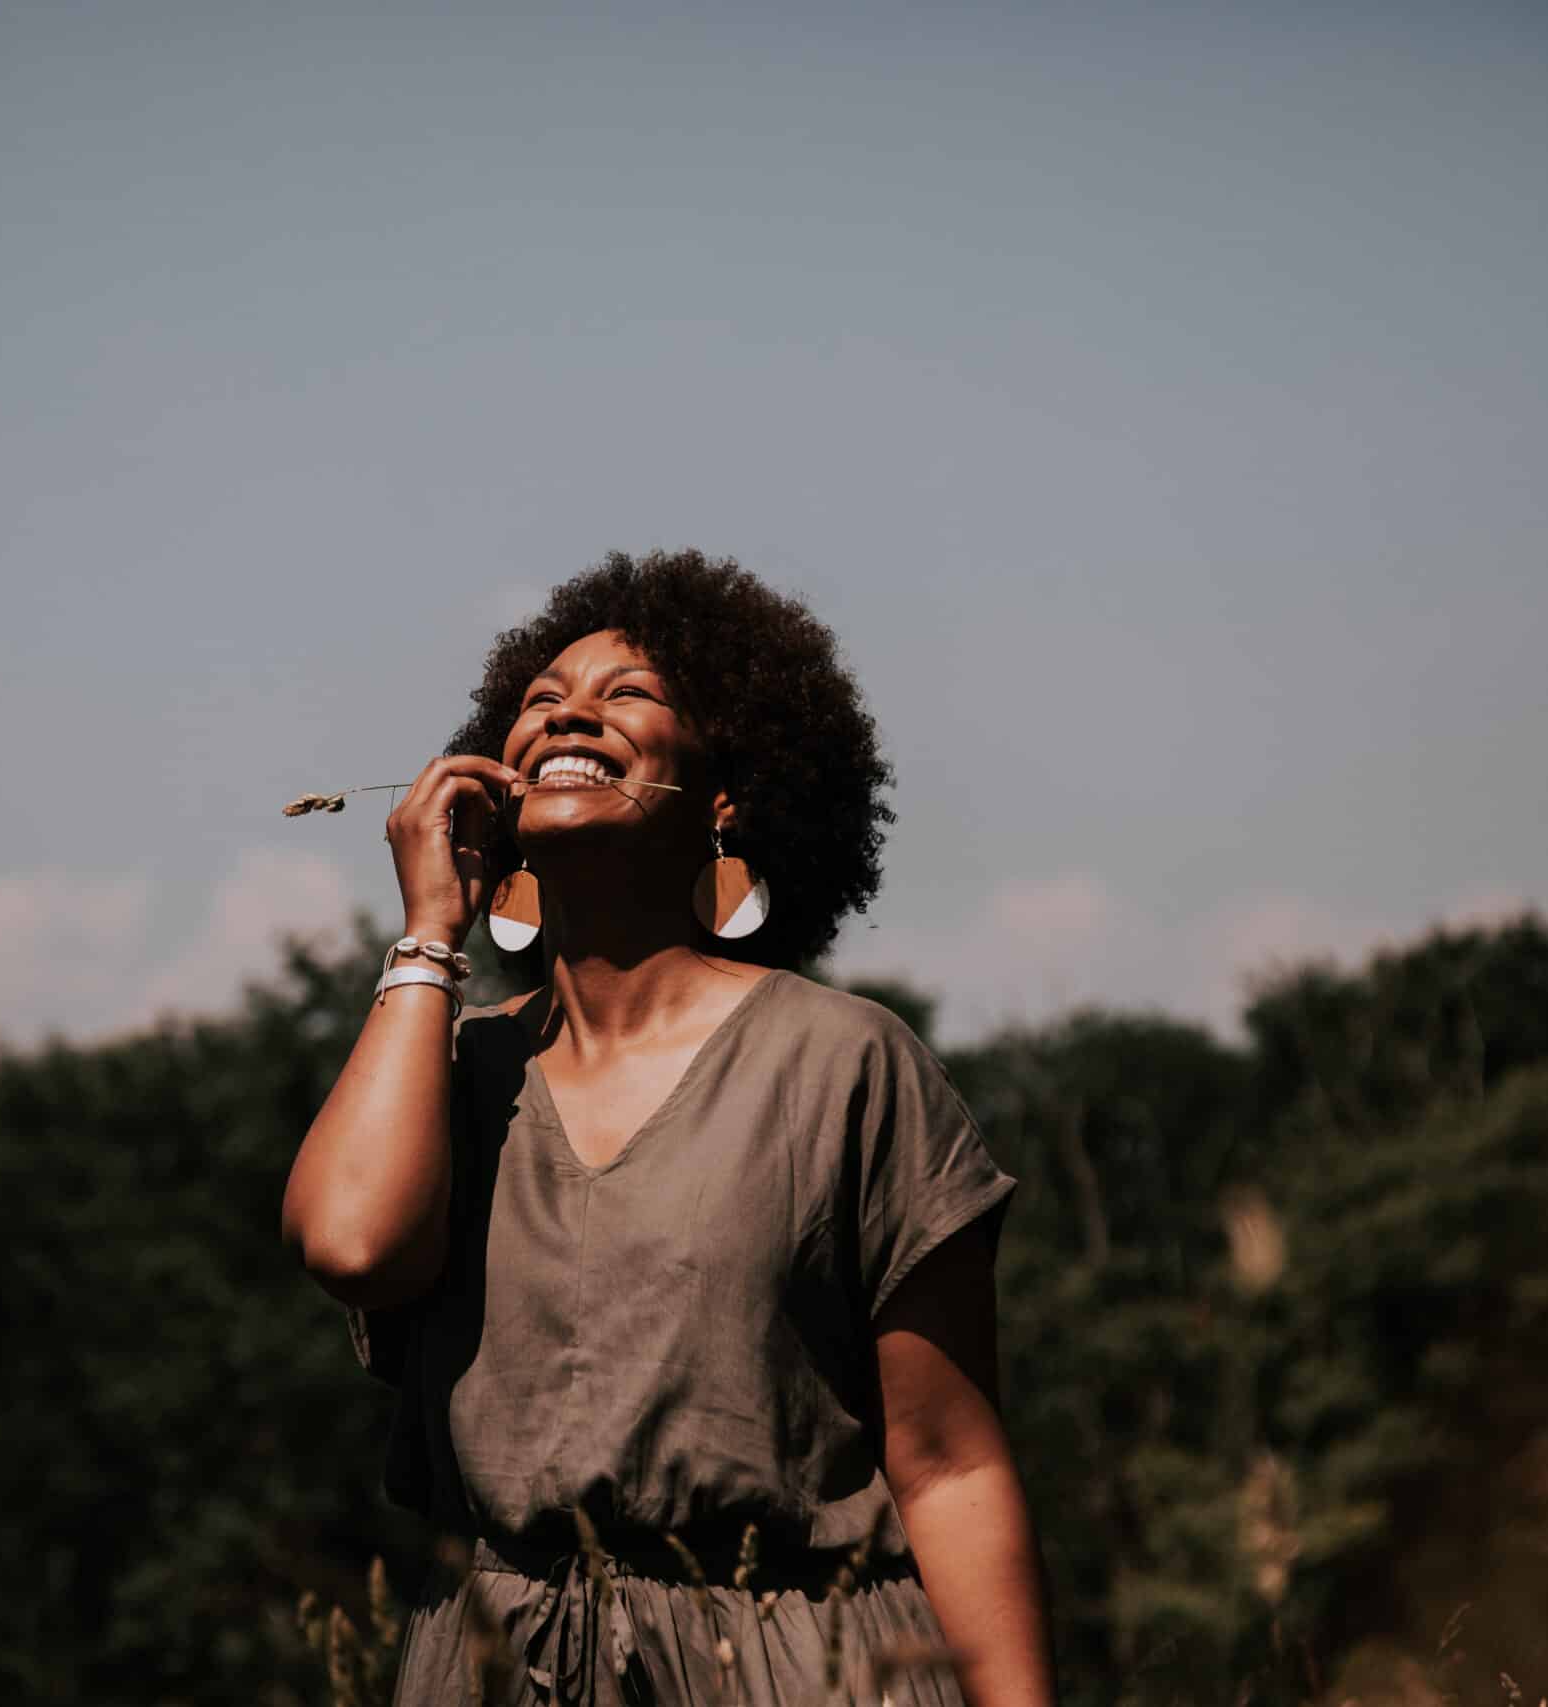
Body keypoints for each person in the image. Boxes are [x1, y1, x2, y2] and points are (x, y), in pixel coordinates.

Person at [281, 551, 1057, 1705]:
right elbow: (352, 1245)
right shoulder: (450, 1068)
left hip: (793, 1671)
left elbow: (946, 1464)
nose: (570, 710)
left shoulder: (843, 1061)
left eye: (627, 692)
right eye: (539, 701)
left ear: (727, 795)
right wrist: (429, 931)